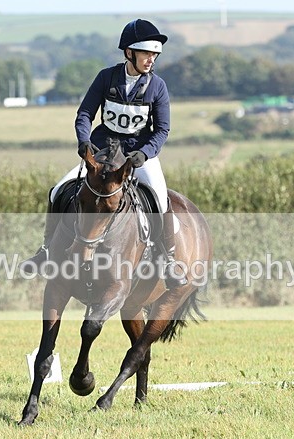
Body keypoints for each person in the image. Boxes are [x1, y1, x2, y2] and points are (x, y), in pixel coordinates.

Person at [20, 18, 186, 289]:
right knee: (58, 190)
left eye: (154, 55)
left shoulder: (158, 87)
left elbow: (162, 129)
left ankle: (168, 259)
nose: (151, 60)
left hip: (137, 156)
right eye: (146, 53)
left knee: (159, 196)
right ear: (129, 52)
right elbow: (85, 114)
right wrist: (84, 142)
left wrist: (145, 154)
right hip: (102, 153)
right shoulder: (106, 77)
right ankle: (46, 251)